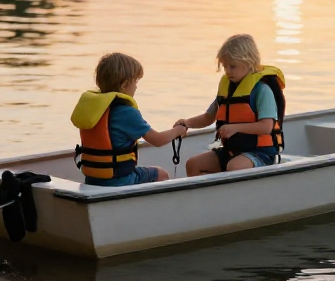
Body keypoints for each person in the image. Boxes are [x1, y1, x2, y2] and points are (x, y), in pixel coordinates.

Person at [176, 34, 286, 176]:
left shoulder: (262, 90)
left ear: (249, 62)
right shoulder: (227, 89)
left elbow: (266, 127)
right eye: (225, 66)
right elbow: (208, 117)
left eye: (233, 66)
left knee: (234, 167)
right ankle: (204, 198)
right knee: (193, 164)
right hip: (232, 151)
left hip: (260, 153)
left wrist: (236, 128)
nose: (228, 71)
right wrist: (186, 123)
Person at [71, 52, 185, 186]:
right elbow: (157, 140)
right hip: (119, 180)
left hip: (92, 178)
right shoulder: (126, 112)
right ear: (124, 85)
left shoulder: (93, 109)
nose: (136, 86)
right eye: (135, 81)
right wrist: (178, 131)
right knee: (161, 174)